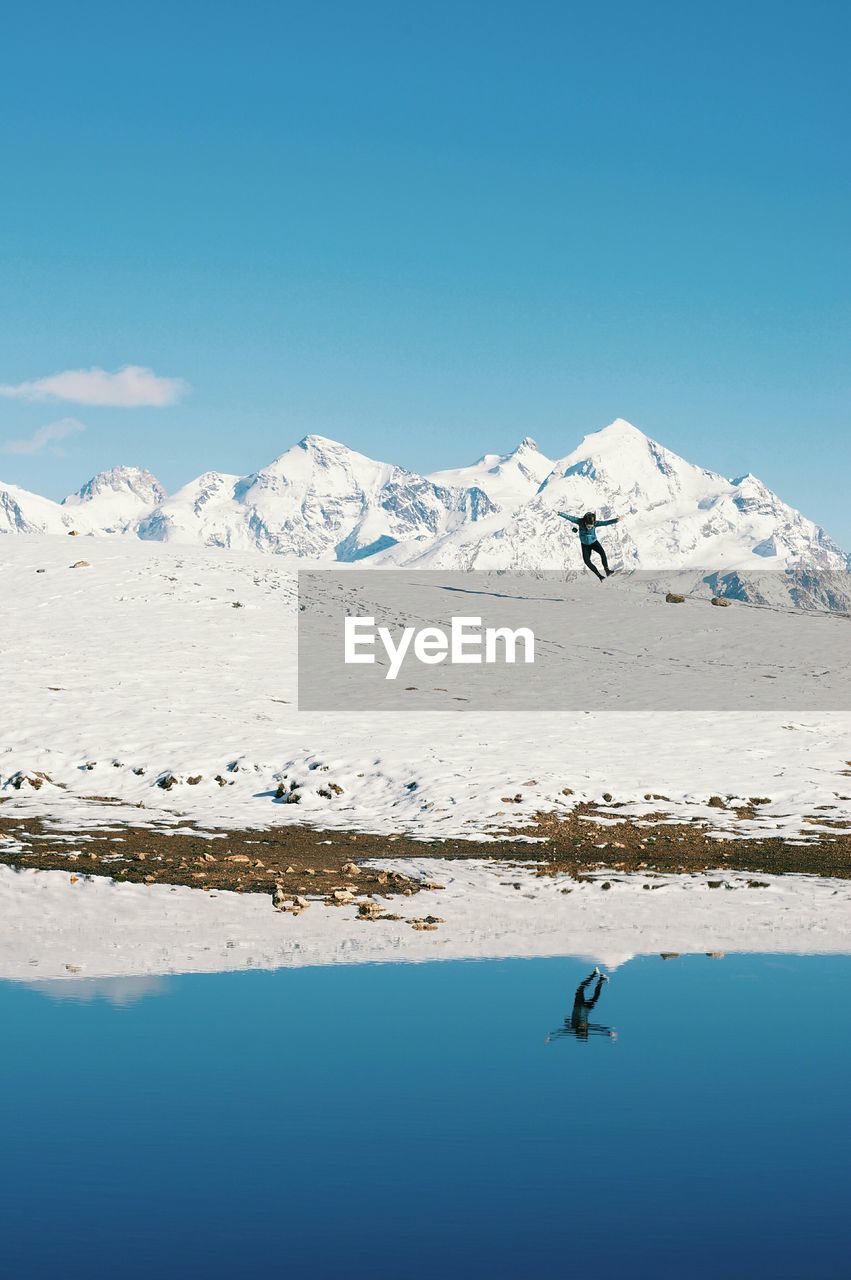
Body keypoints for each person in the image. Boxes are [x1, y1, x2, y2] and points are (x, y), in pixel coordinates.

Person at [546, 967, 617, 1043]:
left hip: (578, 1004)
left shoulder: (573, 1027)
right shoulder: (587, 1027)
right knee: (596, 996)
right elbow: (598, 1028)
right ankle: (601, 979)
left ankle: (594, 973)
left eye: (582, 1028)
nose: (584, 1026)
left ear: (578, 1028)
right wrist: (609, 1033)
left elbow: (562, 1032)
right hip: (587, 1008)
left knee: (580, 989)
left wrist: (551, 1037)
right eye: (585, 1028)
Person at [559, 510, 623, 581]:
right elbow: (570, 517)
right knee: (587, 561)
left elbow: (606, 523)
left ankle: (607, 570)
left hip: (594, 542)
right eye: (588, 526)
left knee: (602, 553)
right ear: (585, 522)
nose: (589, 528)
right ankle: (599, 576)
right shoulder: (579, 521)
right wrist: (560, 513)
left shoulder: (595, 523)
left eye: (591, 526)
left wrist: (617, 520)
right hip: (585, 545)